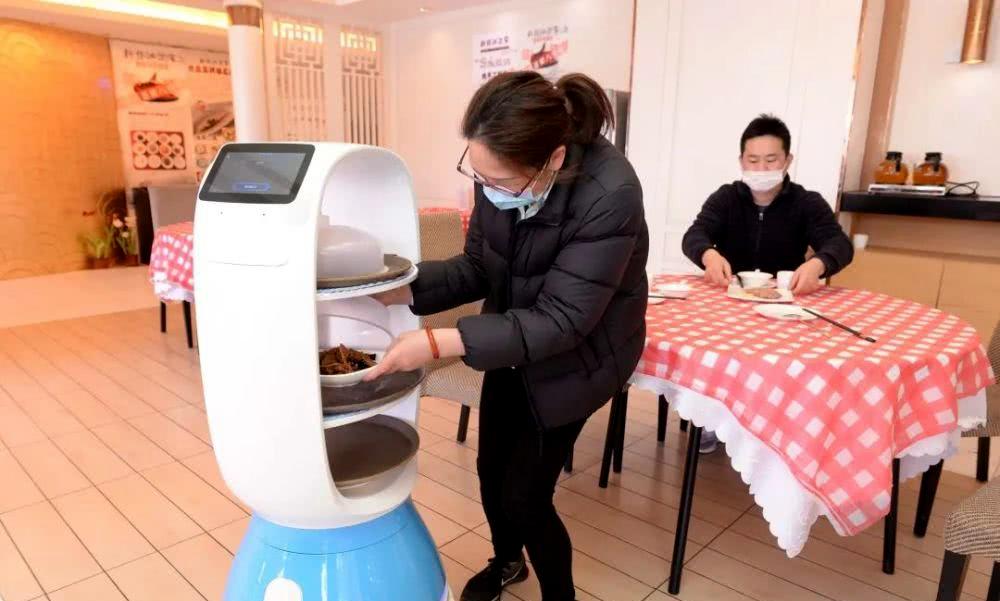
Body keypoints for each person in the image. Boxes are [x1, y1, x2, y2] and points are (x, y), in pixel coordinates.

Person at [365, 71, 649, 601]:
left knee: (525, 495)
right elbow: (478, 265)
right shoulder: (500, 168)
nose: (487, 190)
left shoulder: (611, 193)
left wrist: (436, 343)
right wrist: (401, 290)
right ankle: (506, 563)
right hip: (509, 339)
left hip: (580, 354)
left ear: (554, 160)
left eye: (498, 182)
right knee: (491, 471)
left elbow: (565, 319)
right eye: (479, 176)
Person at [681, 113, 853, 453]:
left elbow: (839, 244)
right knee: (717, 359)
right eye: (753, 160)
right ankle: (712, 420)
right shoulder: (727, 198)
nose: (761, 169)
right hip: (730, 305)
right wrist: (708, 255)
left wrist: (819, 263)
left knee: (781, 368)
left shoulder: (807, 203)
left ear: (788, 160)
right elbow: (695, 235)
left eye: (771, 160)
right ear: (741, 161)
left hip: (783, 307)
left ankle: (771, 429)